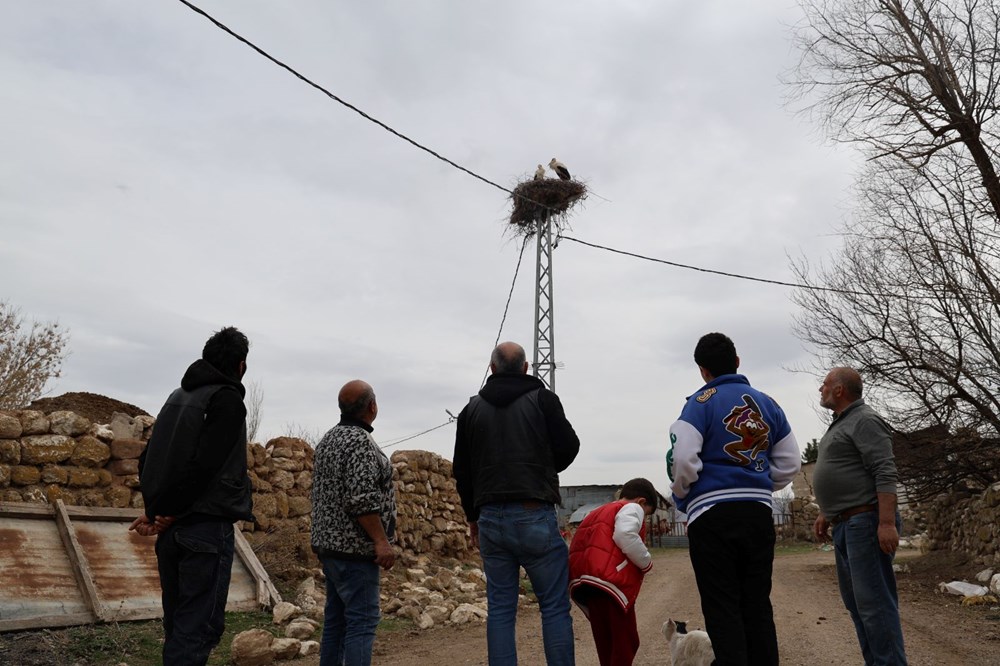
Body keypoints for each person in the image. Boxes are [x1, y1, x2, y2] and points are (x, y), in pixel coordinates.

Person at [667, 332, 801, 666]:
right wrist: (757, 485)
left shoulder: (698, 404)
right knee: (756, 603)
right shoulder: (767, 403)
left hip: (711, 515)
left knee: (721, 606)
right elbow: (791, 462)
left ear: (702, 370)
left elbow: (682, 459)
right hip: (756, 513)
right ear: (737, 362)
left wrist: (683, 493)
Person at [129, 326, 254, 666]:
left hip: (173, 533)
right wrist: (169, 511)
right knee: (197, 629)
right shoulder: (226, 400)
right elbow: (205, 467)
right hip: (205, 531)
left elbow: (148, 460)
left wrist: (158, 511)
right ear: (241, 366)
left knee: (180, 626)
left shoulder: (176, 398)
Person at [453, 341, 581, 666]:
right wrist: (543, 468)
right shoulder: (543, 399)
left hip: (490, 519)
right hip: (534, 512)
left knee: (500, 608)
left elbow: (462, 472)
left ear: (492, 369)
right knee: (552, 606)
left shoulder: (470, 410)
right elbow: (569, 445)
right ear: (526, 368)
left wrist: (472, 519)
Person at [812, 367, 908, 665]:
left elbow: (884, 470)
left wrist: (887, 522)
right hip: (847, 525)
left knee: (875, 606)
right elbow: (848, 472)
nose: (821, 390)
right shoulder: (842, 423)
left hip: (865, 523)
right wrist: (828, 514)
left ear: (840, 390)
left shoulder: (865, 420)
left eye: (825, 384)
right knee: (859, 607)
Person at [310, 380, 397, 666]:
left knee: (336, 621)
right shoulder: (359, 442)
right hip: (354, 551)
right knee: (362, 621)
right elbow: (361, 498)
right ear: (372, 406)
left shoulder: (328, 439)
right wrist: (381, 541)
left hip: (330, 547)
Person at [568, 478, 658, 666]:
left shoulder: (597, 512)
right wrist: (646, 562)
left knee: (606, 642)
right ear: (642, 501)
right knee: (627, 642)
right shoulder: (632, 508)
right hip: (611, 583)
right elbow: (625, 534)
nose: (644, 519)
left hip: (587, 583)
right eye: (647, 514)